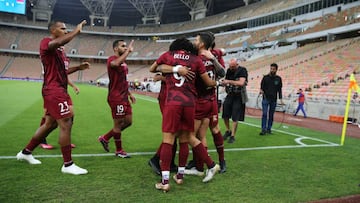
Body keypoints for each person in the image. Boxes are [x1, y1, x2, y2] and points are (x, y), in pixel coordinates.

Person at [16, 20, 90, 175]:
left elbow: (63, 72)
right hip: (54, 90)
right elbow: (60, 42)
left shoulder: (61, 52)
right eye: (62, 28)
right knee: (66, 122)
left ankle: (26, 152)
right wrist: (76, 31)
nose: (65, 30)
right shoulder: (46, 42)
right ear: (53, 30)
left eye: (66, 28)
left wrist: (78, 68)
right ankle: (68, 165)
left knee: (49, 124)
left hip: (59, 89)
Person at [150, 37, 219, 192]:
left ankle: (165, 182)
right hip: (189, 103)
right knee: (185, 138)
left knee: (168, 139)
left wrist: (173, 69)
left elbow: (153, 68)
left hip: (173, 101)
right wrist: (219, 82)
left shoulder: (168, 55)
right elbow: (208, 82)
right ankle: (180, 177)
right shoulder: (195, 59)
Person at [185, 32, 227, 175]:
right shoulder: (212, 54)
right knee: (202, 134)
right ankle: (200, 164)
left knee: (196, 134)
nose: (194, 41)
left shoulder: (198, 59)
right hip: (211, 100)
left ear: (202, 43)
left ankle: (213, 163)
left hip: (201, 100)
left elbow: (222, 73)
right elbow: (222, 73)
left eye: (196, 39)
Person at [98, 39, 136, 158]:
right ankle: (119, 151)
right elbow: (115, 64)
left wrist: (130, 94)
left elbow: (123, 81)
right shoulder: (111, 59)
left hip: (124, 97)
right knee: (118, 124)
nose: (125, 48)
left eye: (126, 46)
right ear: (115, 48)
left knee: (128, 122)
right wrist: (128, 52)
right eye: (122, 46)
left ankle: (105, 138)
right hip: (116, 97)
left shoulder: (125, 64)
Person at [39, 48, 79, 150]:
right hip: (51, 89)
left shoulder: (64, 57)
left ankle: (65, 140)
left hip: (62, 90)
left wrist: (73, 86)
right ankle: (41, 140)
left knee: (71, 114)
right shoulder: (51, 55)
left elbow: (64, 74)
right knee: (47, 116)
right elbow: (49, 73)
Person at [221, 58, 248, 143]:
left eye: (233, 66)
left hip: (239, 96)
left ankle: (232, 135)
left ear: (237, 65)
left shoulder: (242, 70)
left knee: (235, 116)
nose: (231, 68)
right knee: (225, 114)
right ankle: (228, 130)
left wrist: (228, 81)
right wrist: (224, 84)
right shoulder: (229, 70)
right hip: (230, 94)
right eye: (230, 66)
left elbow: (241, 83)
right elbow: (226, 82)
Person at [259, 63, 284, 135]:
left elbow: (279, 90)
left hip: (274, 99)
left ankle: (269, 129)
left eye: (273, 69)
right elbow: (261, 87)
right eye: (271, 69)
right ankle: (263, 129)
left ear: (276, 70)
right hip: (265, 98)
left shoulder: (278, 79)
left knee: (271, 115)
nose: (272, 70)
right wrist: (261, 90)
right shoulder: (265, 77)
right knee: (264, 113)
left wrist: (281, 99)